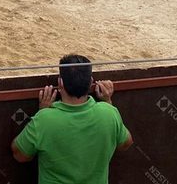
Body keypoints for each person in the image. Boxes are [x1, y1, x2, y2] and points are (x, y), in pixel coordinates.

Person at [11, 55, 132, 183]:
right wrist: (108, 101)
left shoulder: (44, 120)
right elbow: (125, 144)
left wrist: (42, 112)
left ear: (61, 83)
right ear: (91, 81)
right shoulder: (109, 113)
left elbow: (19, 155)